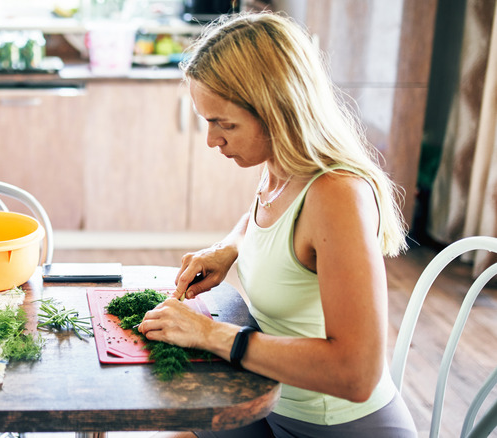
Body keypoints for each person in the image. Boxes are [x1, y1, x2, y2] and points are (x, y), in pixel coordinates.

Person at [136, 11, 418, 437]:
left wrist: (211, 333)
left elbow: (357, 374)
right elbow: (267, 221)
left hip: (335, 427)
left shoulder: (337, 196)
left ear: (276, 111)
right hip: (269, 402)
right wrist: (229, 247)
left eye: (223, 124)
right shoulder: (278, 167)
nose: (212, 140)